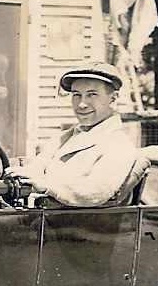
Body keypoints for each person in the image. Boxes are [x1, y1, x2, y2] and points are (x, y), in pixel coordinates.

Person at [9, 62, 143, 207]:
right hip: (44, 215)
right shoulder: (63, 138)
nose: (81, 104)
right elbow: (38, 166)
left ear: (113, 98)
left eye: (92, 95)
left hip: (81, 220)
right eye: (76, 95)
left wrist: (46, 185)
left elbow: (95, 192)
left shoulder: (119, 145)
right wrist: (20, 173)